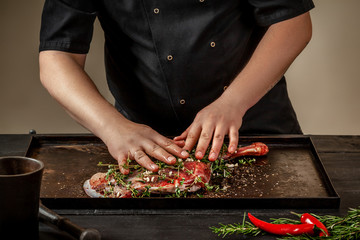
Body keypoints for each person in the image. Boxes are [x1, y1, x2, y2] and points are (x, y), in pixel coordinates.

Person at [39, 0, 314, 174]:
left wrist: (233, 102)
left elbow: (293, 23)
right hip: (141, 144)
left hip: (251, 128)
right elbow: (57, 56)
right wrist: (112, 127)